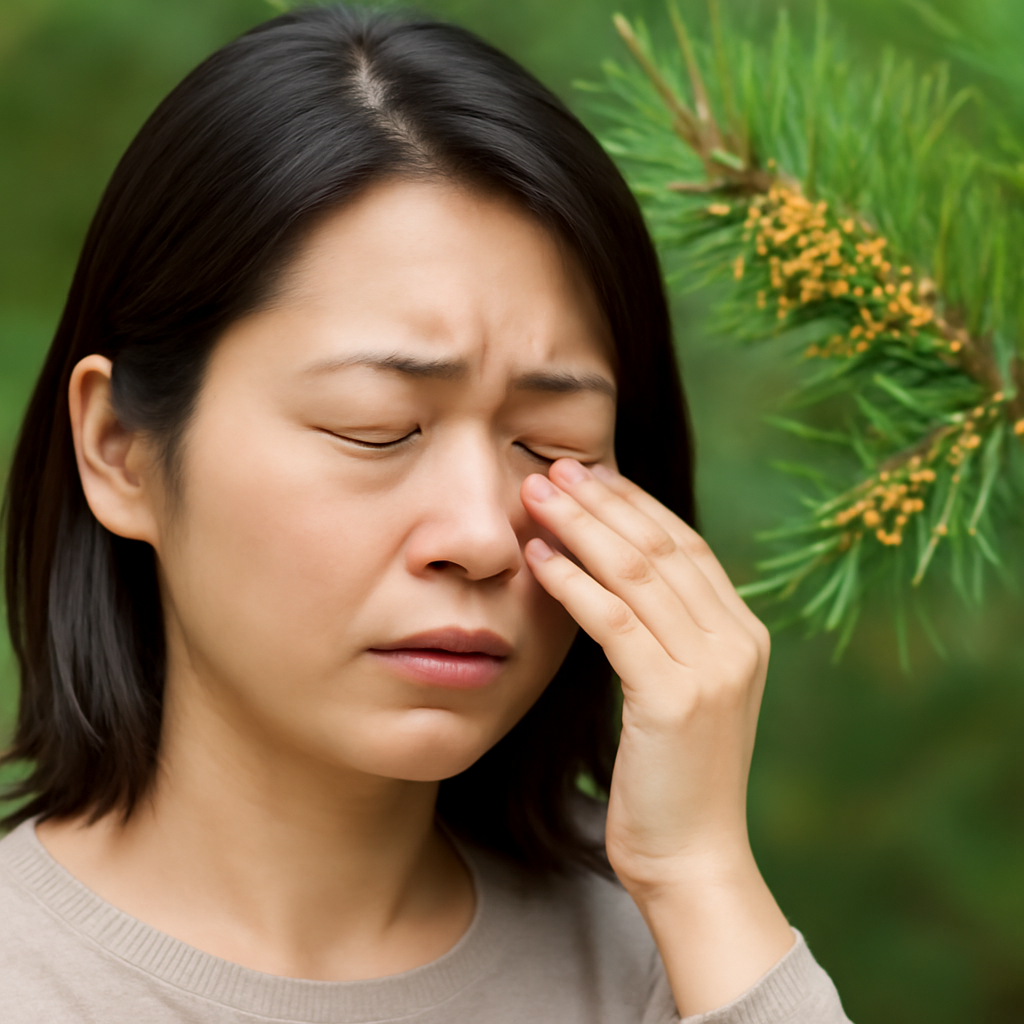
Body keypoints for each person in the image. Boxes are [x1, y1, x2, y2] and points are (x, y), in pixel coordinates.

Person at [0, 5, 852, 1022]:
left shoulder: (684, 956)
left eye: (553, 444)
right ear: (120, 449)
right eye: (376, 429)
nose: (482, 536)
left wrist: (701, 878)